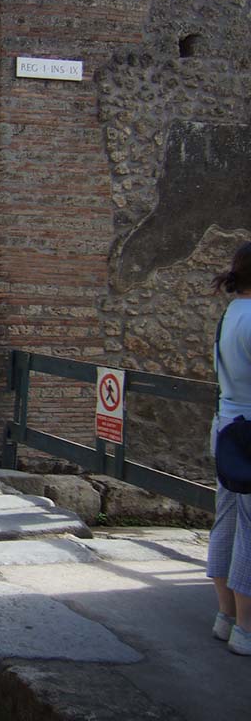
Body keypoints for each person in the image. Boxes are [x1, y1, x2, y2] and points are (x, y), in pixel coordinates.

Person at [209, 243, 251, 655]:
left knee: (226, 521)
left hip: (225, 426)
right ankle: (246, 628)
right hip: (250, 430)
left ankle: (225, 615)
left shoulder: (231, 315)